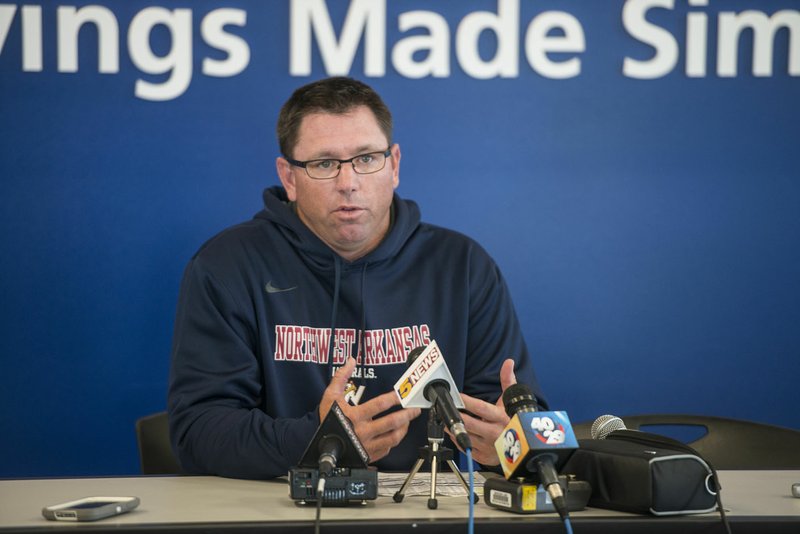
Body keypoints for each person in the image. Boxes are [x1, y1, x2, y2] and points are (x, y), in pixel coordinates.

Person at [167, 77, 547, 479]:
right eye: (324, 164)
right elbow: (197, 432)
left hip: (427, 512)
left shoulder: (463, 266)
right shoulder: (228, 266)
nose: (348, 183)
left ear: (394, 165)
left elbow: (524, 424)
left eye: (366, 158)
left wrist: (512, 444)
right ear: (290, 178)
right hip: (280, 507)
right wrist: (319, 440)